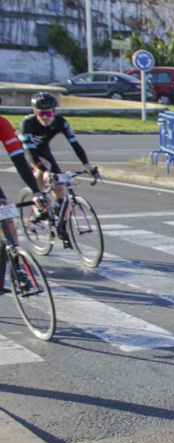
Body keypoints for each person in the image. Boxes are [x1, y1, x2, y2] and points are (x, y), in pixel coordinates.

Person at [19, 92, 97, 222]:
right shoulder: (27, 123)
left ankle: (57, 221)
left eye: (48, 113)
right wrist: (44, 171)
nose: (45, 117)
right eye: (41, 114)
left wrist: (87, 164)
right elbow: (30, 152)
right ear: (34, 111)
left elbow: (75, 144)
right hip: (26, 152)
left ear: (54, 111)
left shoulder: (60, 122)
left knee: (60, 188)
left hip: (44, 151)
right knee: (44, 168)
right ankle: (39, 203)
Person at [0, 92, 45, 294]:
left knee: (7, 215)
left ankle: (14, 269)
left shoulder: (2, 123)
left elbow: (19, 159)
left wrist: (36, 192)